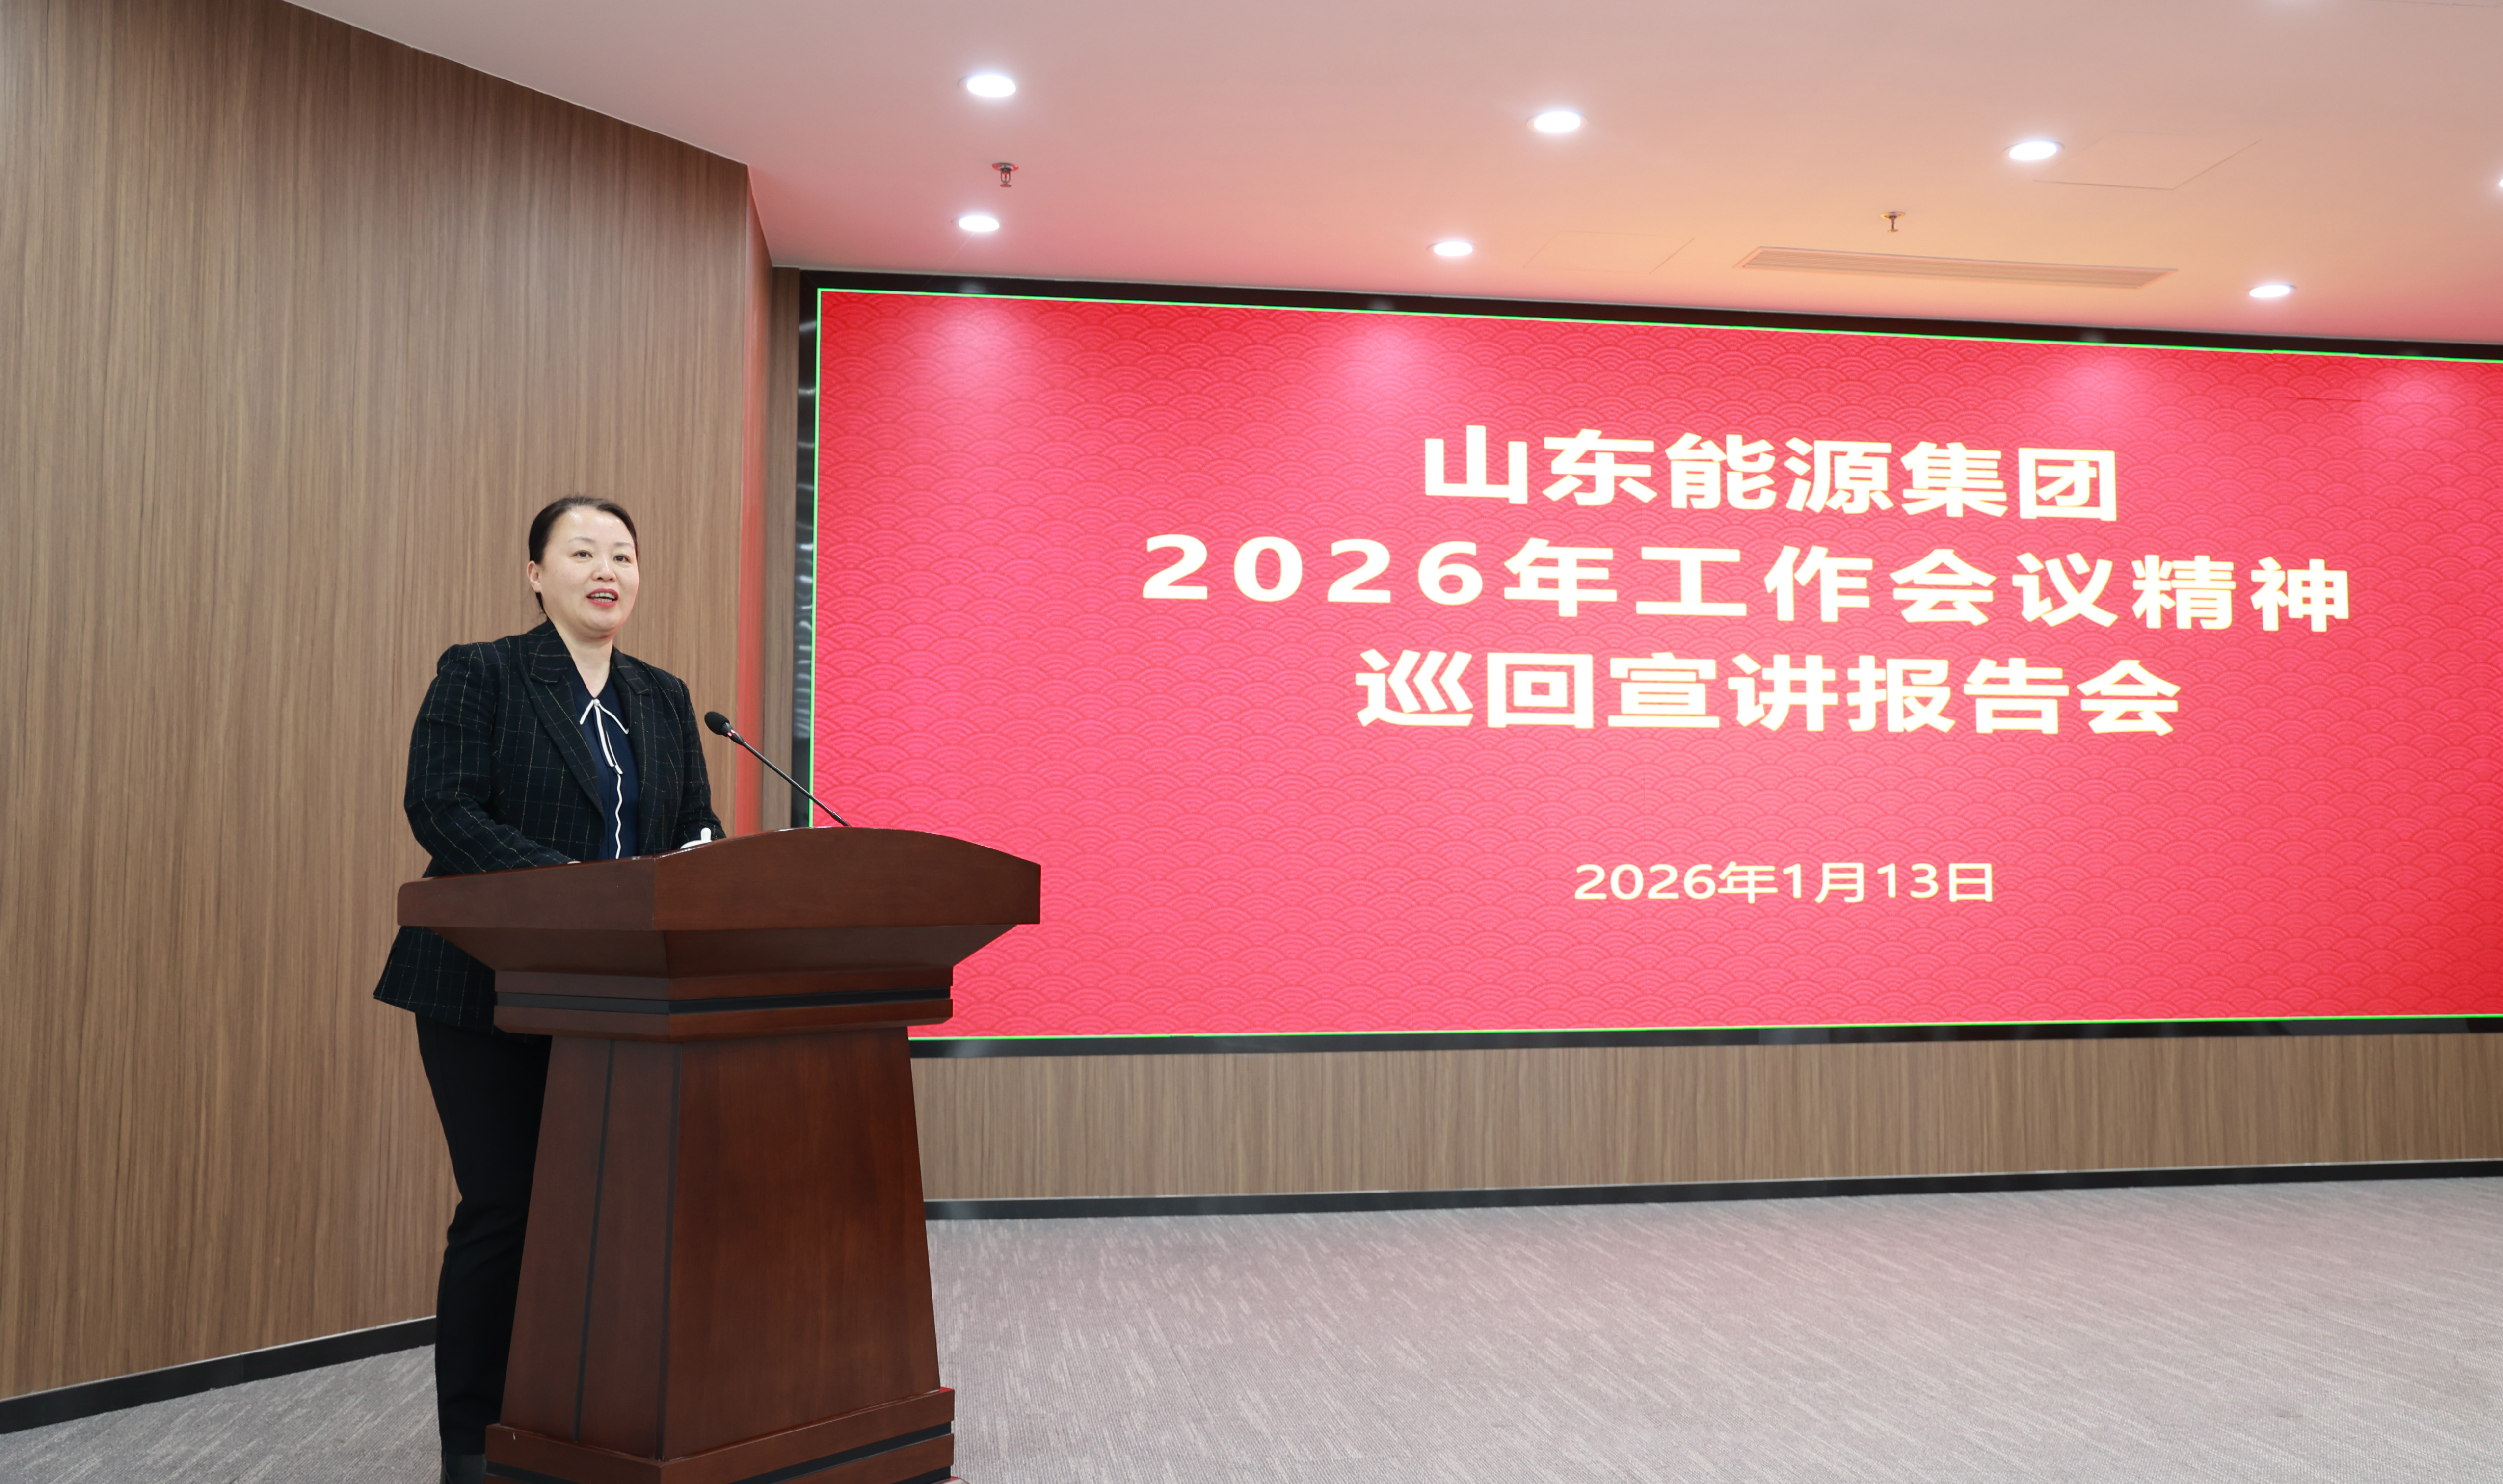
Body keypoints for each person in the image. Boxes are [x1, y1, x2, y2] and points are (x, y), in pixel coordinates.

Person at [372, 496, 722, 1484]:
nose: (607, 570)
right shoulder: (482, 673)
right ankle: (473, 1443)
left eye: (623, 555)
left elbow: (694, 826)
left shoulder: (663, 697)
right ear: (537, 574)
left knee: (613, 1217)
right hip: (489, 990)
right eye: (582, 553)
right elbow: (442, 808)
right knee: (507, 1208)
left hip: (622, 1001)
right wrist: (572, 889)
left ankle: (582, 1420)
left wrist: (707, 866)